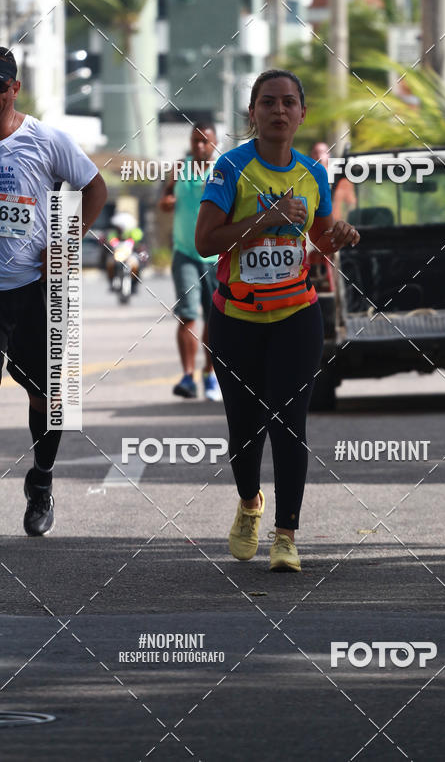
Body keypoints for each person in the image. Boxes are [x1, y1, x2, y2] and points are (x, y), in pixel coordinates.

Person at [195, 69, 360, 572]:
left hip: (296, 314)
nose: (280, 111)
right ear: (253, 113)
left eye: (289, 102)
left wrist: (342, 236)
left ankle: (286, 535)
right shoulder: (229, 168)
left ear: (302, 113)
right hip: (236, 317)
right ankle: (250, 504)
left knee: (289, 424)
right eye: (269, 102)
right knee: (245, 430)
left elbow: (320, 240)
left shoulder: (313, 174)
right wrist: (265, 219)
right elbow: (206, 242)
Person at [0, 46, 107, 542]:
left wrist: (66, 241)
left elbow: (94, 188)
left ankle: (42, 481)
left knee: (49, 399)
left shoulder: (45, 139)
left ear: (15, 89)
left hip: (38, 289)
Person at [159, 122, 221, 401]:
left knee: (214, 318)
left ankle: (210, 375)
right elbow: (166, 197)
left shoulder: (224, 169)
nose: (199, 146)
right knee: (188, 314)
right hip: (184, 251)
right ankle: (187, 377)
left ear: (214, 142)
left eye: (204, 142)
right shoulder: (179, 167)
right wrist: (167, 202)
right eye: (195, 141)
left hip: (215, 255)